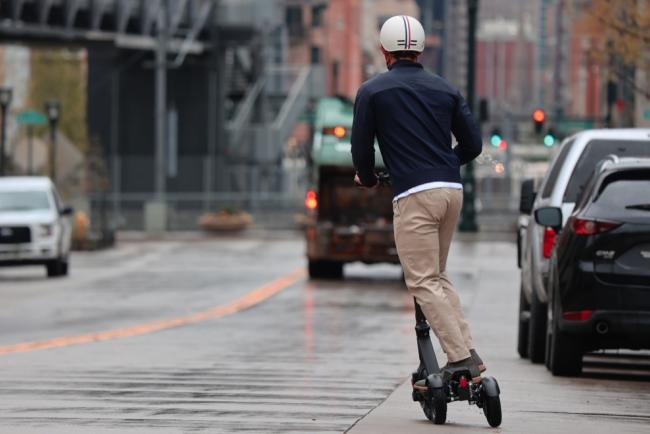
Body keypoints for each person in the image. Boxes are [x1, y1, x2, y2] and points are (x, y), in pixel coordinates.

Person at [351, 15, 484, 383]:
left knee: (422, 281)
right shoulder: (446, 89)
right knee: (438, 277)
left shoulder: (372, 92)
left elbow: (361, 149)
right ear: (421, 49)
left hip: (415, 194)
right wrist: (444, 164)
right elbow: (473, 144)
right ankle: (469, 352)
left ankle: (459, 358)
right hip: (451, 191)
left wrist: (366, 176)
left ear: (384, 51)